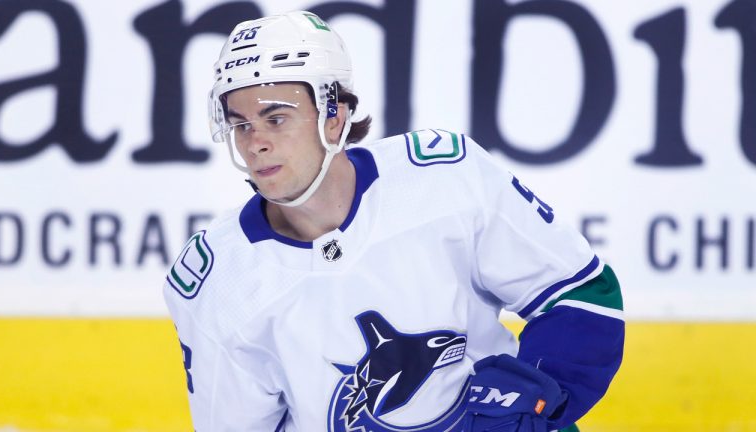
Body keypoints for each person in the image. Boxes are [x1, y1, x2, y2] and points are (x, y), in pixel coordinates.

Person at [163, 10, 624, 432]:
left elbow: (582, 293)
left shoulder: (447, 180)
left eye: (276, 118)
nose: (254, 143)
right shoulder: (218, 285)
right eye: (241, 124)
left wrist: (531, 399)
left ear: (333, 116)